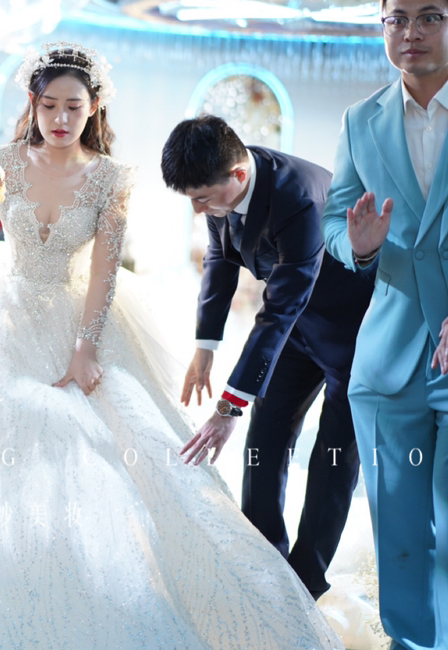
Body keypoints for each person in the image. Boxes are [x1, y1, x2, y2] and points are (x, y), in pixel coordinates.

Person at [0, 42, 340, 648]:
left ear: (93, 107)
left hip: (77, 316)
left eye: (74, 106)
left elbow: (103, 270)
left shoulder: (111, 178)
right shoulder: (2, 161)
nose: (61, 118)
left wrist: (85, 345)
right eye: (49, 106)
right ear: (33, 103)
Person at [322, 0, 448, 649]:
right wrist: (357, 247)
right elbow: (335, 219)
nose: (411, 32)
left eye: (430, 17)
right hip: (389, 366)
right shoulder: (360, 120)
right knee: (399, 539)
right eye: (396, 19)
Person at [161, 115, 372, 600]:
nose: (198, 210)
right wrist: (205, 347)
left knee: (333, 458)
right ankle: (262, 568)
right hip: (295, 329)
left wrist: (227, 408)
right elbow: (220, 258)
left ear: (237, 176)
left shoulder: (298, 198)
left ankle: (305, 584)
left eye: (202, 198)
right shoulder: (224, 177)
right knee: (266, 436)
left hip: (352, 335)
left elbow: (279, 308)